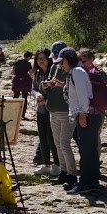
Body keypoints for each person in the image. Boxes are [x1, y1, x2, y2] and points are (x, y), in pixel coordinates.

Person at [60, 47, 101, 195]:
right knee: (90, 149)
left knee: (86, 150)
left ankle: (85, 183)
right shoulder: (77, 71)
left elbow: (83, 94)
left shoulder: (76, 72)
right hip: (89, 115)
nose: (61, 65)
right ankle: (93, 181)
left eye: (62, 62)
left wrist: (82, 114)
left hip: (87, 116)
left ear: (69, 60)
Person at [43, 41, 75, 186]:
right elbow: (51, 81)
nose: (56, 60)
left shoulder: (72, 69)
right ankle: (63, 171)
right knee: (57, 143)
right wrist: (47, 85)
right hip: (53, 109)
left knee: (64, 143)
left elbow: (72, 87)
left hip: (66, 110)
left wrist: (60, 85)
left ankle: (72, 174)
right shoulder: (55, 67)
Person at [77, 49, 107, 176]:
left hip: (97, 112)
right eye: (79, 61)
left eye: (84, 61)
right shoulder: (80, 73)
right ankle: (91, 166)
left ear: (92, 59)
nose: (81, 64)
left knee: (95, 138)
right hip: (85, 112)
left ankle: (94, 165)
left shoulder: (99, 75)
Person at [31, 48, 60, 175]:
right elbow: (32, 89)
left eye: (43, 58)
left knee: (51, 137)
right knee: (42, 137)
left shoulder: (53, 72)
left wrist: (46, 99)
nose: (41, 61)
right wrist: (37, 94)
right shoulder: (37, 73)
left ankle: (57, 164)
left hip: (51, 110)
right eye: (38, 59)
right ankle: (46, 164)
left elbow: (58, 91)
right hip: (40, 110)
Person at [11, 51, 33, 118]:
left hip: (17, 79)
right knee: (24, 97)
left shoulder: (17, 62)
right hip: (25, 80)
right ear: (29, 57)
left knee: (15, 96)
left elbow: (13, 71)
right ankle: (23, 114)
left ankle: (13, 112)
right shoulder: (28, 63)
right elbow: (31, 72)